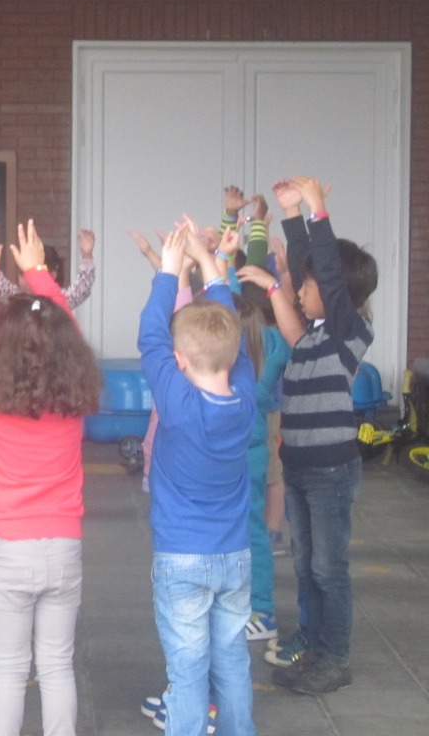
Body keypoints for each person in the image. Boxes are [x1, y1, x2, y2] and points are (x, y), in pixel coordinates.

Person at [0, 214, 101, 736]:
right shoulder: (75, 392)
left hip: (7, 550)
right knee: (58, 666)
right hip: (63, 546)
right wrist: (39, 271)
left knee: (8, 670)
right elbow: (69, 332)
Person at [257, 177, 377, 695]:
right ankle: (313, 645)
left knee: (329, 568)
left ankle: (334, 657)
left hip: (330, 472)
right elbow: (312, 270)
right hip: (303, 468)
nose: (300, 292)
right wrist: (290, 215)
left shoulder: (349, 333)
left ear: (334, 292)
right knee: (306, 566)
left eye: (307, 286)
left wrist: (316, 207)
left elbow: (324, 268)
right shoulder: (312, 337)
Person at [138, 221, 258, 736]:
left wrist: (169, 270)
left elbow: (150, 337)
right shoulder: (245, 399)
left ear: (180, 361)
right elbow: (232, 339)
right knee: (232, 661)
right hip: (234, 556)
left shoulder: (179, 404)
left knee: (187, 672)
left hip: (181, 557)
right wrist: (210, 266)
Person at [0, 224, 97, 309]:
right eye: (23, 275)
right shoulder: (16, 298)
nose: (26, 281)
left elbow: (80, 290)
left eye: (35, 274)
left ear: (53, 275)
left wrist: (87, 254)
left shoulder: (56, 301)